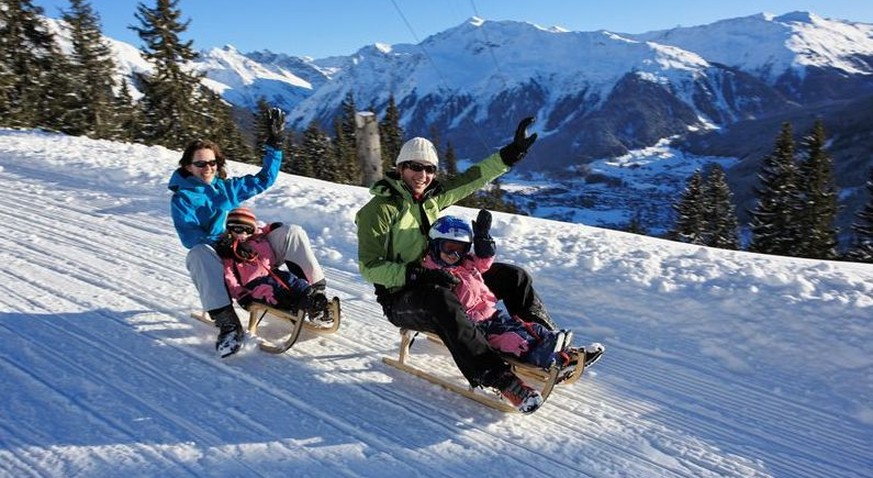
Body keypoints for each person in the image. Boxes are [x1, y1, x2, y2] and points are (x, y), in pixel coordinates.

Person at [356, 117, 555, 413]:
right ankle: (500, 380)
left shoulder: (432, 199)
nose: (422, 174)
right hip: (401, 296)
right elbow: (368, 266)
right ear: (400, 168)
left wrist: (510, 154)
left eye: (429, 169)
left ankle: (542, 339)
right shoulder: (379, 211)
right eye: (414, 166)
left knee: (513, 276)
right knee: (440, 299)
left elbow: (473, 178)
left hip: (442, 276)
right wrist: (411, 273)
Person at [168, 108, 328, 358]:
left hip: (247, 251)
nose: (207, 168)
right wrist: (221, 241)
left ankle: (317, 297)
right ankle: (228, 325)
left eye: (212, 162)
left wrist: (274, 145)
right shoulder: (183, 199)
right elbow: (189, 237)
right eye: (200, 163)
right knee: (198, 253)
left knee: (291, 232)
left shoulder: (226, 188)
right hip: (219, 262)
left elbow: (265, 179)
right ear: (188, 167)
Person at [421, 211, 604, 372]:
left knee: (528, 327)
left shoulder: (465, 263)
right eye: (449, 248)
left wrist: (484, 242)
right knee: (512, 340)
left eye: (461, 249)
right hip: (474, 325)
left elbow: (483, 263)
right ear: (436, 245)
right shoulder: (434, 272)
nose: (455, 255)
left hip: (491, 314)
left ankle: (560, 349)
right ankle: (543, 356)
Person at [215, 207, 327, 316]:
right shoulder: (228, 251)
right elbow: (229, 277)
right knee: (273, 291)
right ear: (229, 229)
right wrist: (241, 295)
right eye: (238, 229)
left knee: (291, 280)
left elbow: (262, 229)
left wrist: (271, 228)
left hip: (270, 272)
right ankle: (293, 307)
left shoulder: (257, 236)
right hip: (252, 283)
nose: (243, 234)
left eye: (248, 229)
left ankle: (314, 298)